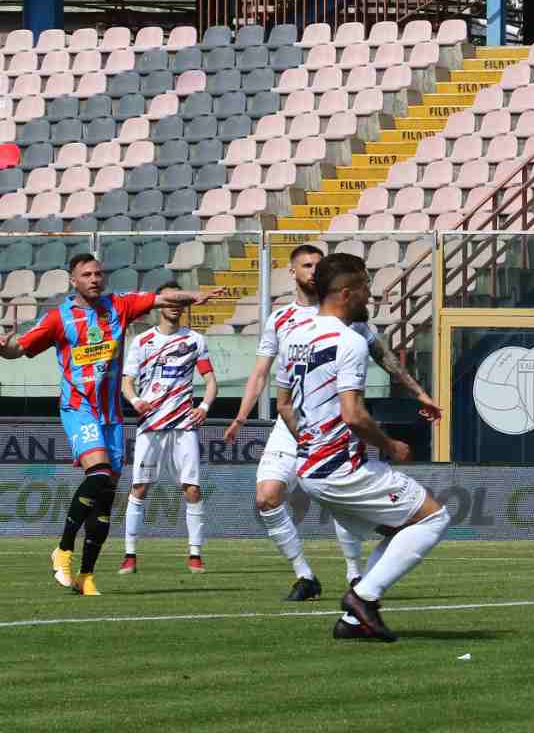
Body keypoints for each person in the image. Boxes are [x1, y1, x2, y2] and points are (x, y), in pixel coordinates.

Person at [223, 244, 441, 601]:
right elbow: (265, 377)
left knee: (347, 497)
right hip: (298, 424)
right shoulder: (282, 321)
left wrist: (419, 393)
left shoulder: (351, 324)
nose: (312, 270)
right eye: (306, 265)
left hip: (330, 426)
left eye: (317, 265)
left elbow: (384, 358)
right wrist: (243, 416)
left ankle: (356, 576)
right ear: (293, 272)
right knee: (268, 497)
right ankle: (309, 577)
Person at [0, 254, 213, 595]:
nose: (94, 279)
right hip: (79, 407)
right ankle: (63, 550)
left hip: (111, 416)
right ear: (73, 281)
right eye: (86, 274)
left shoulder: (119, 306)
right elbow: (18, 349)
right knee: (98, 474)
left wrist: (194, 296)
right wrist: (4, 348)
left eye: (99, 273)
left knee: (105, 499)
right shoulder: (58, 318)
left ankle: (86, 576)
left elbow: (162, 298)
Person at [276, 253, 448, 641]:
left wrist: (310, 441)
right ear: (346, 293)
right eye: (366, 288)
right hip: (340, 468)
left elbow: (284, 405)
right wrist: (391, 446)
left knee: (401, 528)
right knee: (434, 518)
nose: (370, 295)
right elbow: (353, 415)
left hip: (310, 467)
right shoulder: (348, 341)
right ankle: (363, 597)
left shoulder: (293, 337)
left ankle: (353, 622)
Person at [119, 280, 219, 575]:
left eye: (180, 301)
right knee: (139, 487)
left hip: (183, 425)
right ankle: (129, 555)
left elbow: (210, 382)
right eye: (170, 300)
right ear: (160, 304)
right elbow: (127, 382)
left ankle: (195, 554)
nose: (175, 306)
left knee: (192, 489)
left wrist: (204, 407)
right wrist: (136, 400)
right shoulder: (142, 341)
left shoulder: (195, 340)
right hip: (150, 424)